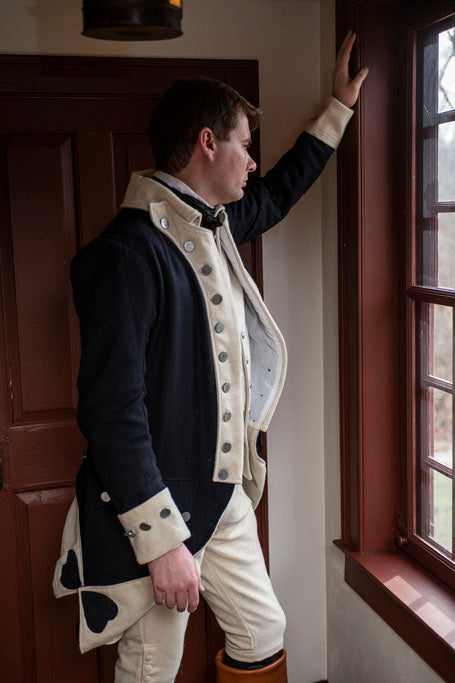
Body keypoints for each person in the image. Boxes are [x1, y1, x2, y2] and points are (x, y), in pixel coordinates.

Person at [53, 30, 367, 683]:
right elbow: (113, 412)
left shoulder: (211, 223)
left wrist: (337, 108)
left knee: (263, 631)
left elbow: (276, 192)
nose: (251, 162)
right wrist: (161, 542)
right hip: (157, 505)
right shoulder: (126, 254)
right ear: (207, 143)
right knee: (150, 665)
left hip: (220, 493)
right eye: (244, 146)